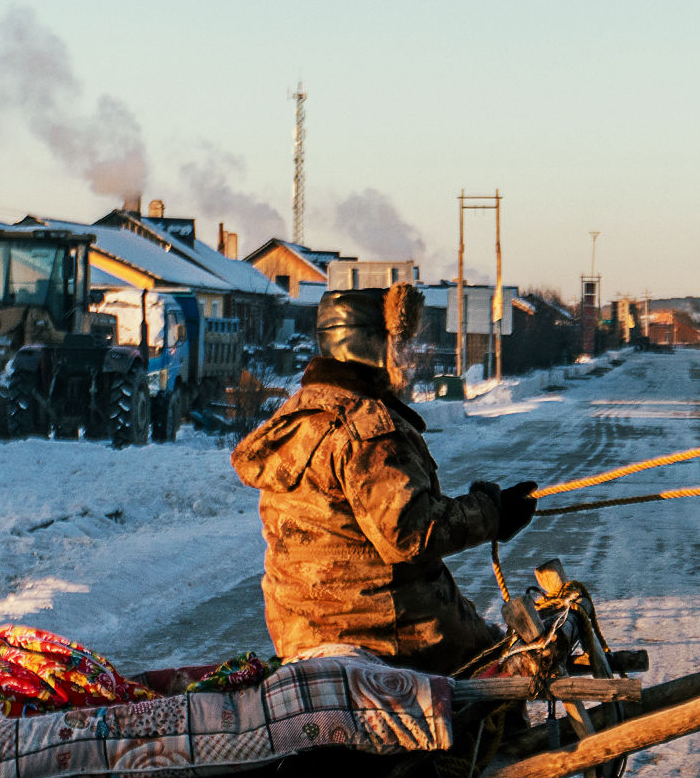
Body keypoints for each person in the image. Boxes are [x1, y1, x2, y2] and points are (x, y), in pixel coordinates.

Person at [229, 282, 539, 675]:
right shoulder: (367, 431)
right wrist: (492, 513)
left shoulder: (297, 416)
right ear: (370, 345)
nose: (407, 356)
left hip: (300, 629)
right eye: (398, 343)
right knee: (502, 664)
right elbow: (411, 532)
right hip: (382, 632)